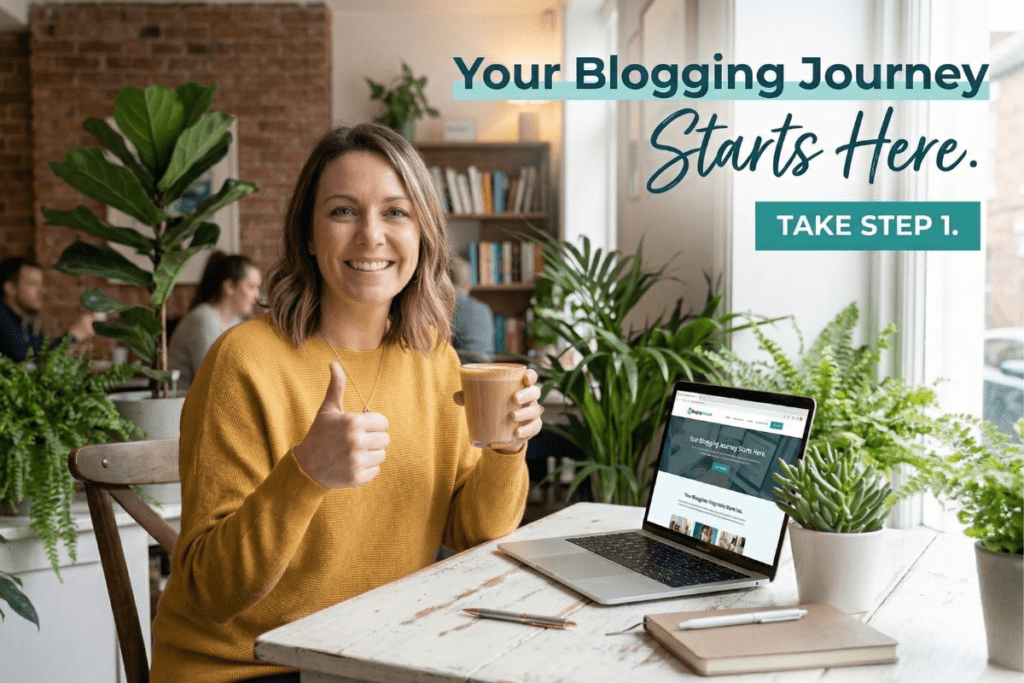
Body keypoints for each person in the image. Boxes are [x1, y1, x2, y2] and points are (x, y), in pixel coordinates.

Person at [150, 123, 543, 683]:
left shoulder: (435, 359)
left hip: (374, 658)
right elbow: (211, 592)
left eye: (396, 212)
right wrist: (305, 474)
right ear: (309, 236)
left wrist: (507, 449)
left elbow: (473, 536)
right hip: (246, 667)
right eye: (342, 211)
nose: (370, 235)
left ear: (423, 234)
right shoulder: (244, 361)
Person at [167, 251, 262, 391]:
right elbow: (216, 380)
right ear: (229, 287)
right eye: (251, 287)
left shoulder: (235, 322)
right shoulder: (203, 320)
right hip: (184, 403)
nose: (256, 296)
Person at [0, 256, 95, 362]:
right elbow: (28, 364)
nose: (43, 291)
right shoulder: (2, 318)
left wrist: (69, 351)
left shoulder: (27, 321)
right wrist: (73, 336)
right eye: (33, 284)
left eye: (41, 284)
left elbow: (40, 356)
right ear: (11, 288)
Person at [450, 254, 494, 363]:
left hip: (460, 367)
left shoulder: (447, 308)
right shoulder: (484, 309)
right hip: (486, 366)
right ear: (469, 286)